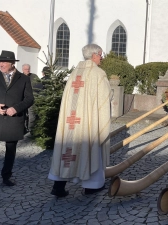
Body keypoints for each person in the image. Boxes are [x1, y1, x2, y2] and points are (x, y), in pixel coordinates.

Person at [48, 43, 113, 197]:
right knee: (90, 149)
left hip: (70, 121)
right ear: (95, 55)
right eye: (101, 55)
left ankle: (58, 186)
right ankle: (91, 186)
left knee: (66, 150)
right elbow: (105, 97)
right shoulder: (98, 74)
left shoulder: (74, 73)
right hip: (87, 123)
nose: (101, 58)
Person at [0, 50, 34, 191]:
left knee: (10, 151)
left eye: (3, 62)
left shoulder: (24, 79)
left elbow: (29, 99)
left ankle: (6, 176)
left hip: (13, 120)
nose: (0, 64)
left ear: (12, 63)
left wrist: (16, 108)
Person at [22, 64, 41, 133]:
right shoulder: (20, 77)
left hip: (32, 98)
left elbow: (39, 86)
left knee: (32, 114)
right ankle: (23, 129)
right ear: (22, 70)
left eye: (28, 69)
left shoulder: (34, 76)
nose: (27, 70)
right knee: (23, 114)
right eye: (26, 69)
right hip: (22, 99)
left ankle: (31, 129)